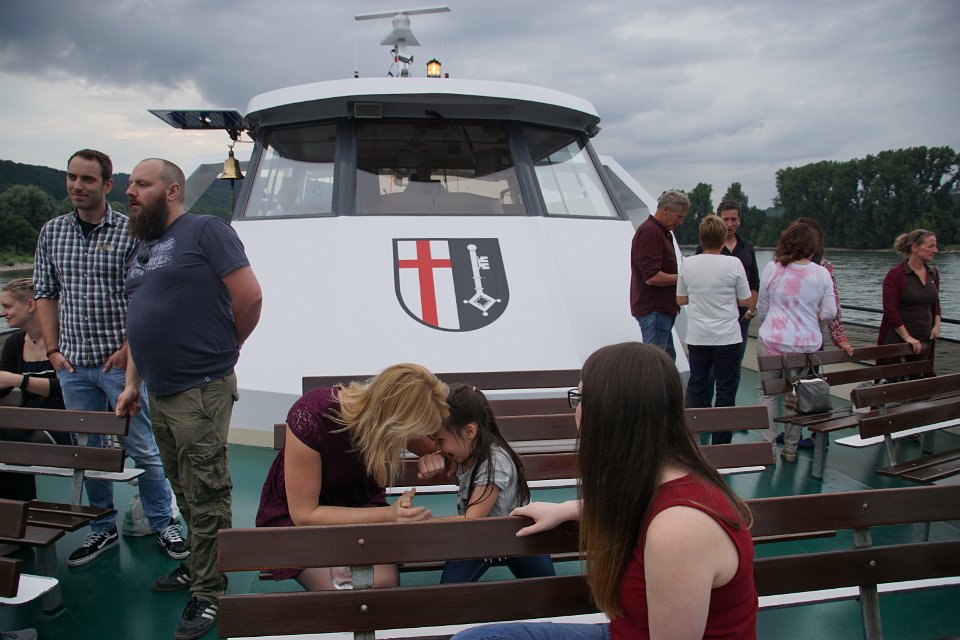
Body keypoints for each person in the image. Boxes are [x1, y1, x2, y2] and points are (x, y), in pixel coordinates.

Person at [451, 342, 758, 640]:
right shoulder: (665, 479)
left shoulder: (679, 530)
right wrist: (567, 509)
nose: (576, 410)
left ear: (610, 413)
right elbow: (638, 506)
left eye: (580, 398)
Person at [113, 157, 263, 640]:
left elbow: (249, 296)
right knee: (182, 485)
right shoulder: (142, 247)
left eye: (142, 184)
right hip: (159, 391)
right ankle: (200, 565)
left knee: (207, 490)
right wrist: (132, 384)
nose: (130, 192)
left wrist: (227, 347)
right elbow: (139, 322)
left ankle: (209, 590)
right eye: (130, 184)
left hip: (200, 387)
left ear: (172, 190)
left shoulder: (204, 231)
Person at [32, 149, 179, 567]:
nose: (77, 186)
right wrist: (53, 349)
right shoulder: (52, 232)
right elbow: (45, 292)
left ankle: (163, 521)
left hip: (119, 365)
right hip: (73, 365)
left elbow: (147, 293)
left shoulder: (131, 231)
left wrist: (131, 348)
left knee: (142, 446)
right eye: (72, 177)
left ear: (107, 185)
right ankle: (102, 527)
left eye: (87, 179)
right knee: (89, 451)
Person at [255, 363, 448, 591]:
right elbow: (305, 515)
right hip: (304, 523)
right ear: (393, 423)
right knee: (347, 588)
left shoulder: (386, 415)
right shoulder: (312, 416)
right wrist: (388, 515)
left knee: (382, 583)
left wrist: (437, 456)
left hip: (360, 507)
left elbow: (443, 448)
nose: (420, 438)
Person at [419, 384, 555, 583]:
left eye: (440, 440)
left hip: (518, 534)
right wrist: (446, 468)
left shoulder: (495, 464)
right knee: (450, 589)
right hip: (479, 537)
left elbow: (472, 519)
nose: (437, 447)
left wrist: (424, 522)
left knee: (547, 587)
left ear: (469, 431)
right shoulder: (465, 453)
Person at [756, 222, 837, 462]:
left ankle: (768, 446)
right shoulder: (821, 273)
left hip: (772, 340)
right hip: (805, 346)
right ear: (813, 247)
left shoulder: (772, 268)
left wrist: (771, 321)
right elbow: (830, 312)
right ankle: (790, 448)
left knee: (767, 394)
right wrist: (814, 316)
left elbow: (763, 306)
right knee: (796, 395)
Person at [679, 216, 752, 444]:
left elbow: (680, 299)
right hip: (728, 336)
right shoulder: (734, 264)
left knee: (698, 385)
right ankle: (721, 443)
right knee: (725, 389)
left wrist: (700, 295)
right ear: (722, 240)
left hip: (699, 336)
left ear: (701, 239)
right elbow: (745, 300)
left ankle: (695, 437)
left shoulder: (688, 264)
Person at [0, 278, 69, 502]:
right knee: (9, 435)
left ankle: (23, 507)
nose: (3, 313)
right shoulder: (15, 343)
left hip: (65, 423)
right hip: (28, 421)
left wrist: (19, 380)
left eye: (7, 306)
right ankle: (13, 509)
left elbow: (66, 388)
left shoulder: (65, 340)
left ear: (30, 305)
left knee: (11, 439)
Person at [695, 200, 760, 387]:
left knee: (734, 367)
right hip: (714, 318)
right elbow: (698, 281)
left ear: (739, 220)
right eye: (725, 220)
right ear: (718, 220)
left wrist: (750, 310)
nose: (730, 224)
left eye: (733, 219)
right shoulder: (704, 249)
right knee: (709, 369)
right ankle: (706, 404)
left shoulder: (747, 248)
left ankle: (728, 403)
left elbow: (754, 282)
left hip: (740, 318)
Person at [630, 190, 690, 361]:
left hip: (660, 310)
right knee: (656, 363)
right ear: (665, 210)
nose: (681, 222)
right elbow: (652, 277)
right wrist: (685, 277)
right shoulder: (651, 232)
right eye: (679, 216)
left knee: (666, 360)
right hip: (654, 310)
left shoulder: (660, 232)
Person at [877, 229, 940, 377]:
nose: (935, 250)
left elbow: (935, 302)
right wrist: (907, 337)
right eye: (930, 246)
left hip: (924, 339)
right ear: (915, 248)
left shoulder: (933, 273)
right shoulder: (896, 274)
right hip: (897, 339)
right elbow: (890, 310)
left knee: (918, 382)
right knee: (891, 382)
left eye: (935, 246)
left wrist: (937, 325)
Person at [795, 217, 854, 357]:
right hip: (783, 337)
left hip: (813, 337)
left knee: (811, 370)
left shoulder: (823, 266)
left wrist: (839, 337)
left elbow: (833, 303)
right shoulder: (781, 265)